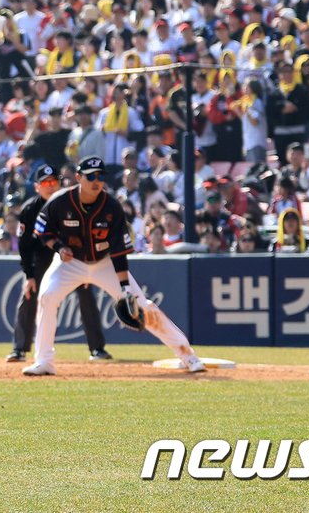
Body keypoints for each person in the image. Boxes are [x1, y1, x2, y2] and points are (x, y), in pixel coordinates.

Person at [23, 157, 206, 376]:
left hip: (104, 262)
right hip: (70, 263)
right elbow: (43, 231)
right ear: (78, 177)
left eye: (100, 176)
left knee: (142, 306)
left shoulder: (111, 206)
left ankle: (188, 355)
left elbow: (119, 251)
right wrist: (59, 248)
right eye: (91, 176)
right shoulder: (60, 201)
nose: (96, 181)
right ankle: (44, 361)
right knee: (47, 297)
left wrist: (125, 288)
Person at [7, 165, 107, 363]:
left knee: (86, 295)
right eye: (45, 183)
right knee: (29, 295)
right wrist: (29, 275)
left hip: (72, 258)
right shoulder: (30, 209)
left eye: (54, 182)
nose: (50, 186)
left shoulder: (72, 203)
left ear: (60, 183)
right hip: (42, 259)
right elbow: (24, 246)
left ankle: (97, 349)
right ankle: (19, 349)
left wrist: (86, 265)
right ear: (37, 187)